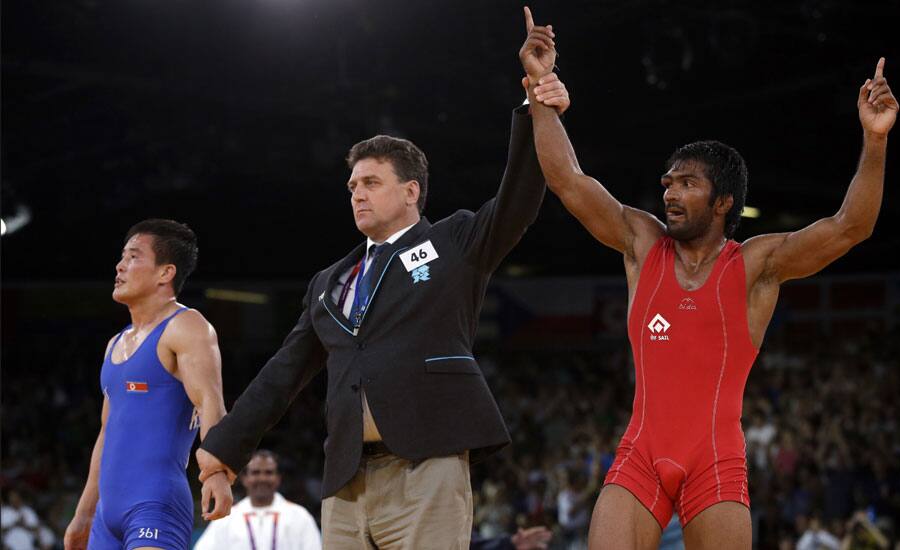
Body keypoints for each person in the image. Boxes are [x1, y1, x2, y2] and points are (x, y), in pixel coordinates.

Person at [521, 11, 899, 547]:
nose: (670, 192)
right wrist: (539, 88)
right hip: (641, 455)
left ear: (723, 203)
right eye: (668, 181)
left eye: (687, 183)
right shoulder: (642, 242)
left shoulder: (754, 265)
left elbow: (850, 227)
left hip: (715, 463)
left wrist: (876, 142)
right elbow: (568, 180)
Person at [194, 10, 570, 547]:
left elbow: (517, 202)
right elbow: (283, 374)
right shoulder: (330, 281)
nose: (357, 193)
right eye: (351, 186)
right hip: (346, 481)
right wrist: (222, 452)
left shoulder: (453, 243)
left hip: (429, 464)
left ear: (412, 191)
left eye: (371, 182)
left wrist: (536, 100)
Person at [64, 219, 231, 550]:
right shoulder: (115, 344)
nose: (119, 266)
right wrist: (84, 513)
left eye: (133, 257)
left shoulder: (186, 326)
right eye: (122, 257)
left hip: (155, 505)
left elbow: (210, 404)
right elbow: (106, 434)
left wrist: (217, 474)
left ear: (165, 273)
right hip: (106, 517)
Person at [194, 450, 322, 550]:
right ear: (244, 478)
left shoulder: (299, 516)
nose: (262, 478)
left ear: (278, 478)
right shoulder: (228, 517)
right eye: (256, 472)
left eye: (268, 472)